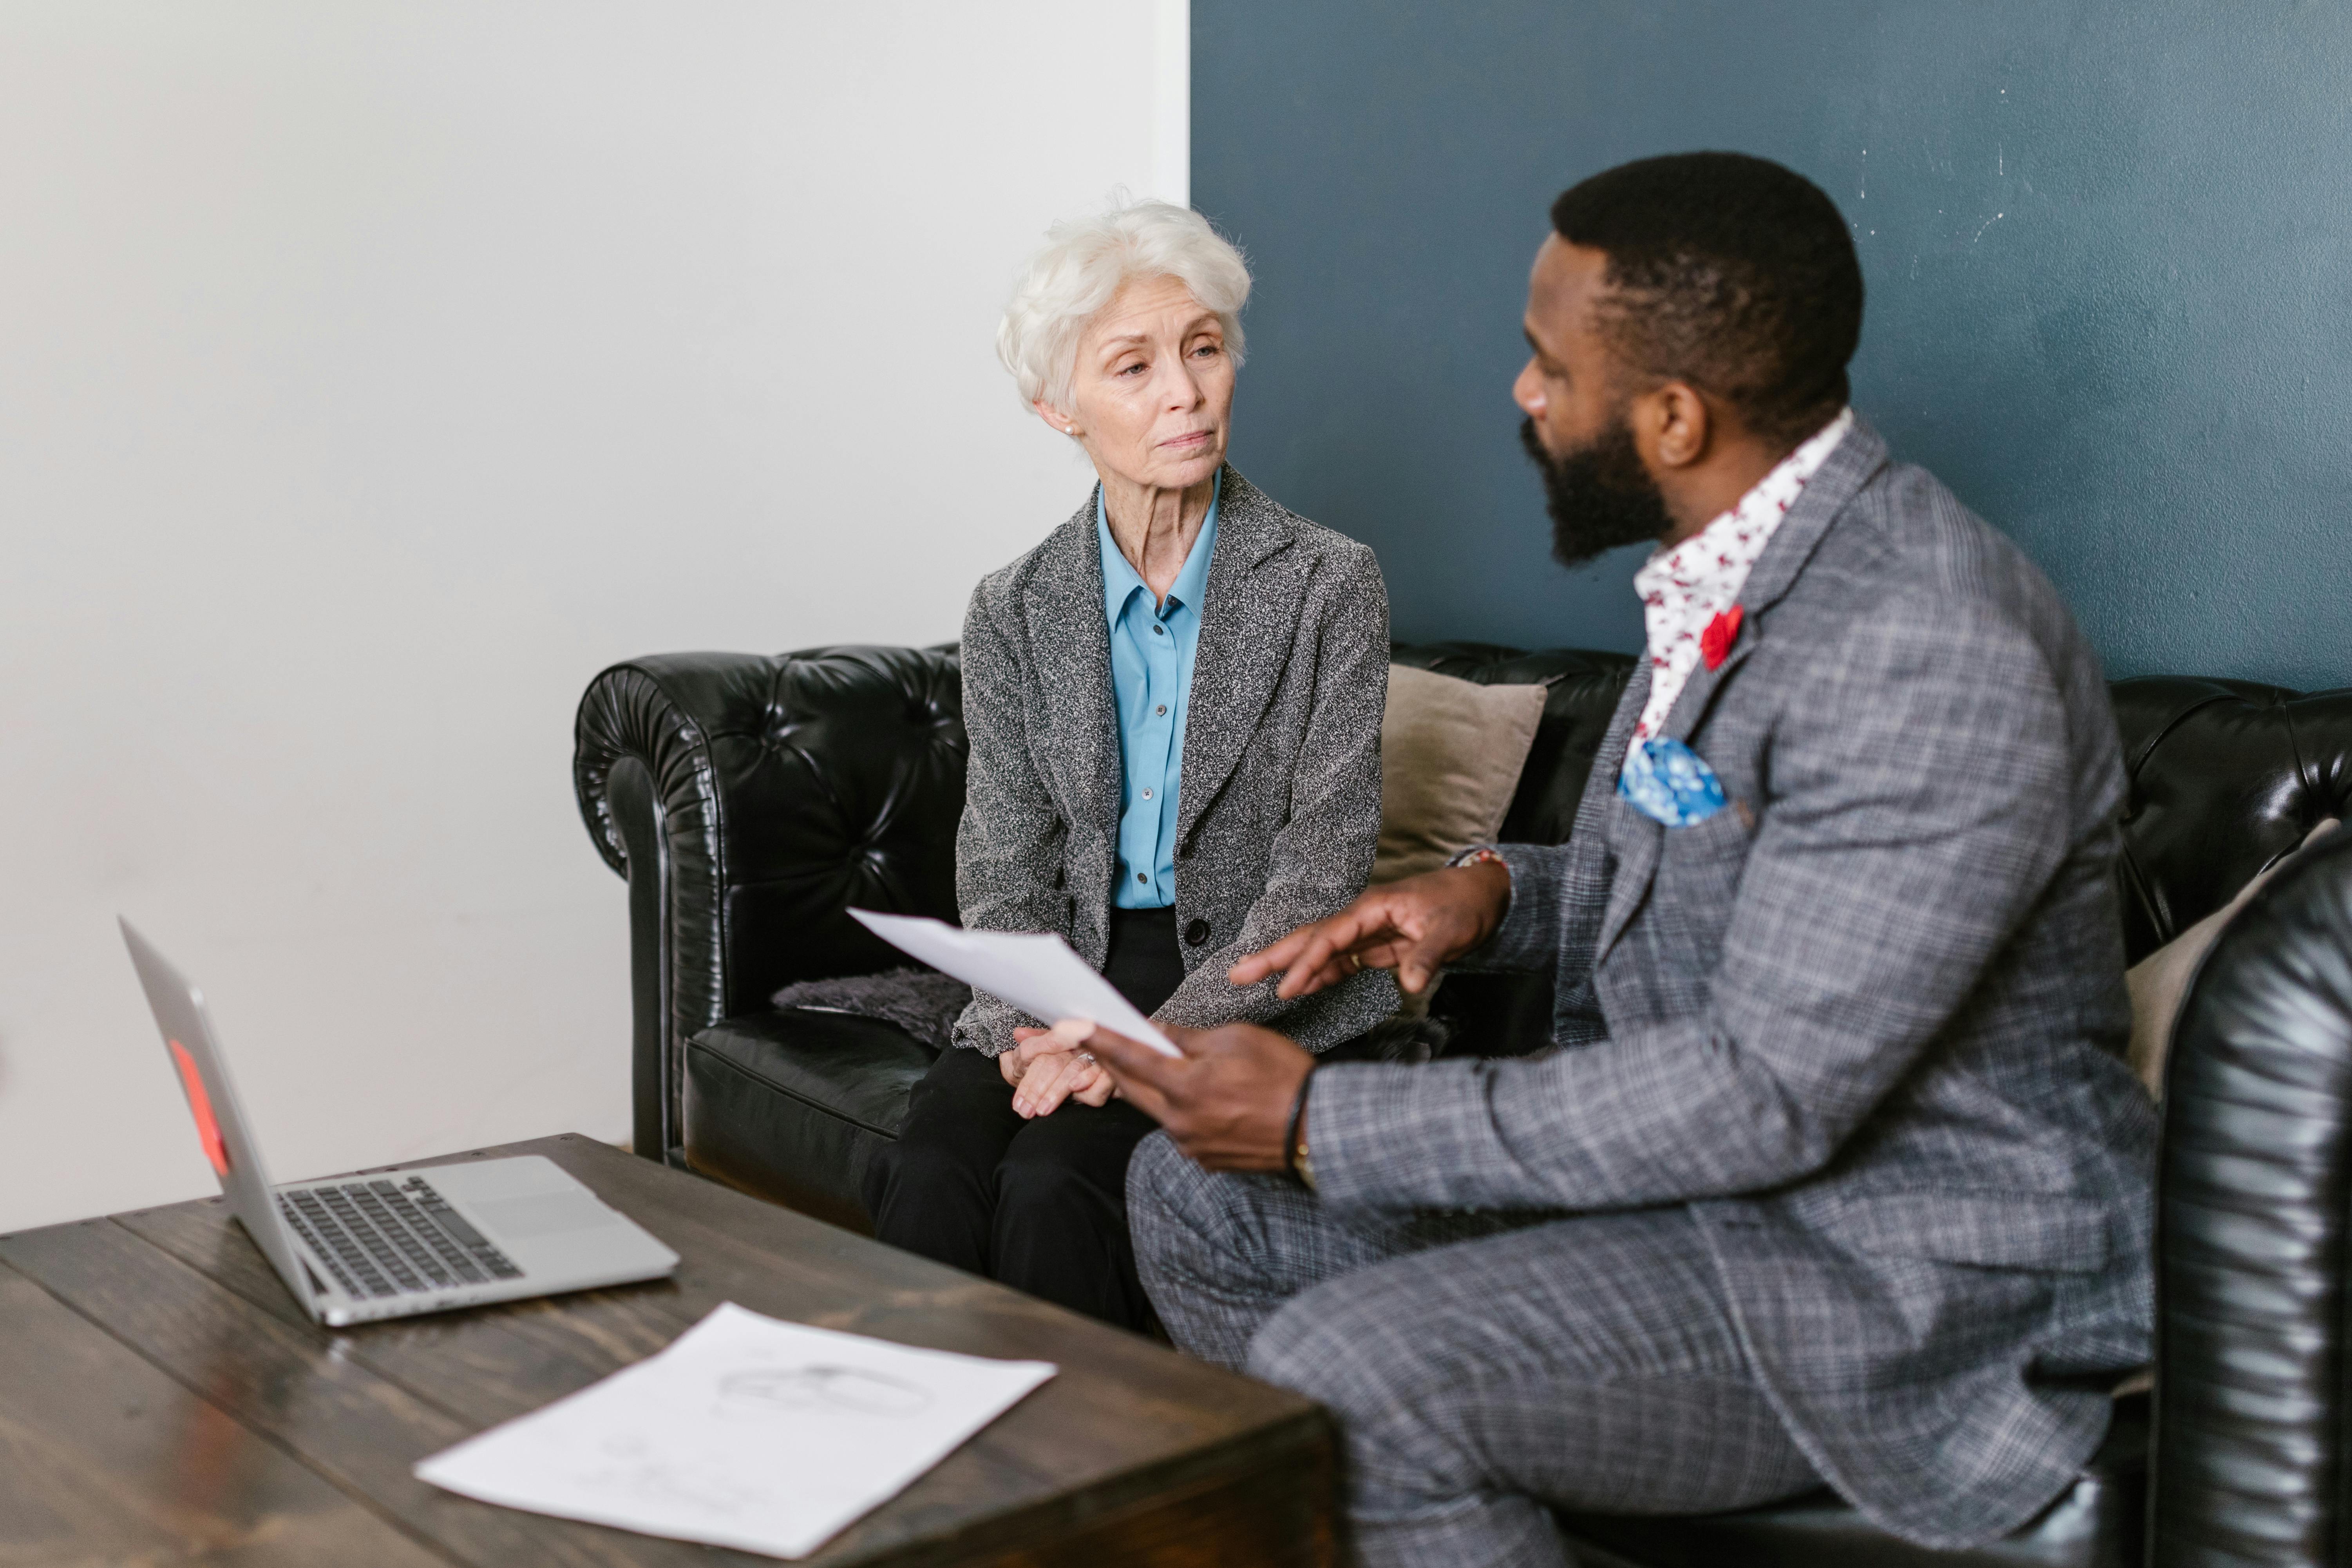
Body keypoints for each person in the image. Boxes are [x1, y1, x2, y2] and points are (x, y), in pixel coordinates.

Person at [1077, 153, 2157, 1565]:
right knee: (1193, 1200)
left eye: (1547, 366)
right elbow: (1747, 890)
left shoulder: (1922, 642)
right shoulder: (1731, 558)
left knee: (1366, 1366)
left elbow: (1765, 1091)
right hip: (1706, 1206)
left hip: (1897, 1276)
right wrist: (1492, 892)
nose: (1523, 394)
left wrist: (1315, 1124)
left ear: (1670, 413)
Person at [859, 199, 1397, 1333]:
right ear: (1059, 407)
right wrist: (1039, 1031)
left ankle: (1079, 1489)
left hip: (1244, 974)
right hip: (1064, 967)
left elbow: (1320, 875)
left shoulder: (1328, 583)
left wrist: (1139, 1048)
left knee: (1058, 1187)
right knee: (937, 1169)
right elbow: (1003, 870)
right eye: (1134, 366)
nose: (1185, 393)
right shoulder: (1011, 608)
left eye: (1203, 350)